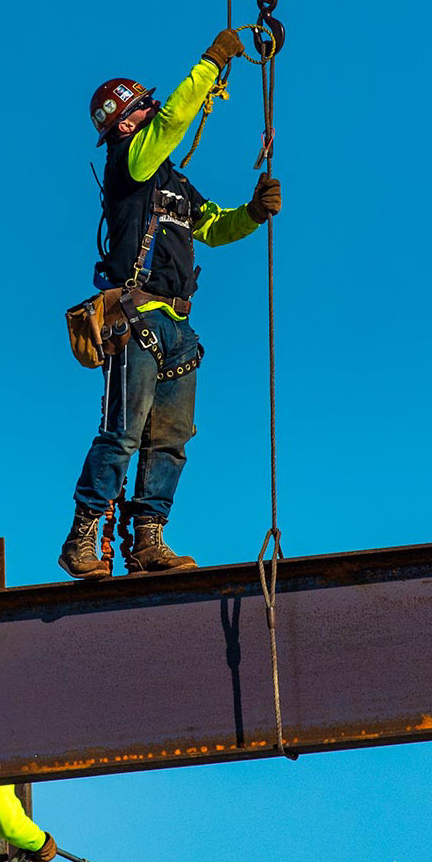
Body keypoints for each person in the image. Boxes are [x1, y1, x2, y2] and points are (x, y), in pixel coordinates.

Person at [59, 30, 282, 579]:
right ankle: (82, 537)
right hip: (135, 319)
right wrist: (211, 62)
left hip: (177, 326)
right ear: (126, 123)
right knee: (123, 432)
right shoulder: (127, 166)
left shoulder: (174, 183)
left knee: (170, 440)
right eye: (144, 109)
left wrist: (251, 214)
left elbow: (213, 226)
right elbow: (173, 122)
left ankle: (147, 541)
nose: (155, 111)